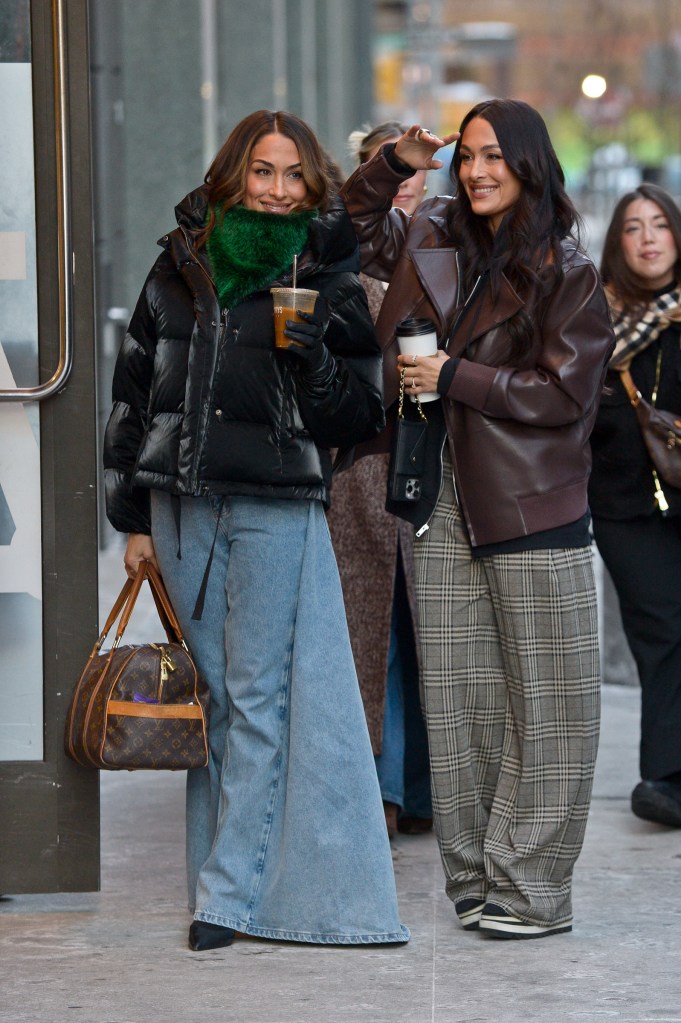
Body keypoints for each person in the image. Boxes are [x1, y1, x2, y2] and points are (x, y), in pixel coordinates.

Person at [103, 109, 409, 951]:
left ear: (313, 187)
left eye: (293, 176)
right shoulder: (179, 261)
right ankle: (230, 874)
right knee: (211, 701)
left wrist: (312, 355)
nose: (276, 191)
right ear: (232, 174)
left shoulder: (327, 268)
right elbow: (136, 387)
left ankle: (226, 897)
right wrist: (131, 514)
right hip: (180, 502)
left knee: (258, 699)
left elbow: (356, 412)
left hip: (274, 502)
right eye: (262, 172)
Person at [341, 99, 615, 938]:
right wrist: (396, 160)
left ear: (529, 163)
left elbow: (565, 394)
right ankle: (476, 879)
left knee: (549, 706)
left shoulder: (565, 268)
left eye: (495, 157)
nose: (477, 171)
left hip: (532, 501)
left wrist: (455, 378)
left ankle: (533, 890)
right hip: (437, 494)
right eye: (468, 157)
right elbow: (347, 223)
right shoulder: (429, 235)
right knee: (459, 701)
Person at [326, 121, 432, 839]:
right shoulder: (362, 243)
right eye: (387, 172)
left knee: (432, 637)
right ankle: (383, 791)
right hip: (363, 462)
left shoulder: (449, 244)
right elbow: (355, 216)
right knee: (375, 639)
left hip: (437, 461)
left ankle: (419, 789)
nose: (404, 184)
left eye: (414, 173)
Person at [588, 183, 681, 828]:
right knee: (661, 630)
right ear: (617, 243)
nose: (648, 238)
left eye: (660, 225)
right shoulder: (593, 322)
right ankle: (665, 777)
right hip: (624, 507)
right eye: (632, 228)